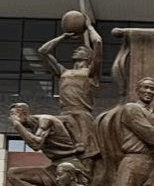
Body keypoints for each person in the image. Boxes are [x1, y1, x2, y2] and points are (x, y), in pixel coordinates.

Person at [37, 10, 104, 161]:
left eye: (80, 49)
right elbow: (43, 51)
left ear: (89, 56)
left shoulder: (90, 72)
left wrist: (89, 27)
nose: (76, 50)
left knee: (86, 156)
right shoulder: (63, 72)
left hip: (81, 116)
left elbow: (98, 42)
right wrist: (63, 36)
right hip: (64, 114)